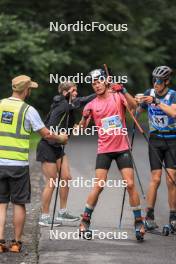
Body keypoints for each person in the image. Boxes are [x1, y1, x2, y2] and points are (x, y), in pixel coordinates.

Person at [0, 75, 68, 253]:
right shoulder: (28, 110)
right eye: (30, 88)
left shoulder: (0, 105)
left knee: (1, 204)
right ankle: (16, 243)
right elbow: (46, 134)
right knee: (18, 204)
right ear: (25, 90)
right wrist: (61, 138)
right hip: (18, 166)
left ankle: (0, 243)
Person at [78, 69, 145, 240]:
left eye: (99, 81)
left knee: (130, 184)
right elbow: (82, 128)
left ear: (106, 81)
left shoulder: (117, 96)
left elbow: (135, 107)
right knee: (99, 185)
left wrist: (124, 90)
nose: (97, 85)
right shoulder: (91, 104)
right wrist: (84, 118)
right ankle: (84, 221)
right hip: (104, 150)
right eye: (94, 83)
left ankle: (139, 221)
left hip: (122, 147)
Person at [37, 82, 96, 226]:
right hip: (47, 147)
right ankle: (44, 217)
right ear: (65, 93)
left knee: (66, 177)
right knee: (51, 182)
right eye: (73, 91)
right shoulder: (63, 104)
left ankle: (62, 213)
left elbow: (74, 131)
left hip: (58, 148)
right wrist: (100, 93)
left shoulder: (68, 109)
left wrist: (82, 122)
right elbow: (82, 101)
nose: (76, 93)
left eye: (76, 90)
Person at [136, 66, 176, 231]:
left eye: (159, 81)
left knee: (171, 179)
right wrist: (137, 104)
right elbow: (137, 110)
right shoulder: (149, 92)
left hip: (172, 140)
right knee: (156, 178)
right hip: (155, 140)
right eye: (154, 80)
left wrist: (157, 102)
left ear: (166, 82)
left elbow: (173, 113)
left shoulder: (172, 95)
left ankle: (173, 217)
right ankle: (149, 216)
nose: (156, 84)